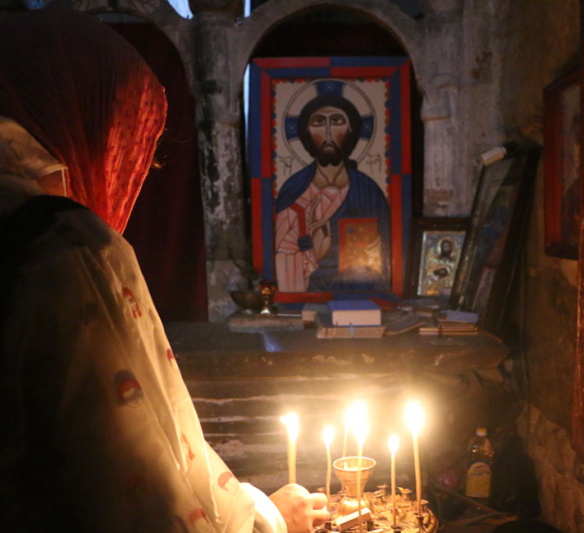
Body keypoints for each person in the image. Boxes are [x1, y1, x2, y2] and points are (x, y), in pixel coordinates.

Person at [0, 9, 328, 532]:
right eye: (122, 150)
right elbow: (142, 501)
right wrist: (267, 520)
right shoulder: (65, 250)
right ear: (79, 124)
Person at [274, 92, 391, 292]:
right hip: (308, 295)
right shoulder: (293, 190)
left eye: (337, 121)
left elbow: (388, 256)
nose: (328, 132)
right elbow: (281, 257)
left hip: (359, 291)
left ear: (350, 129)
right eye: (318, 122)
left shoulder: (370, 191)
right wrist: (311, 253)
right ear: (307, 131)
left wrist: (379, 252)